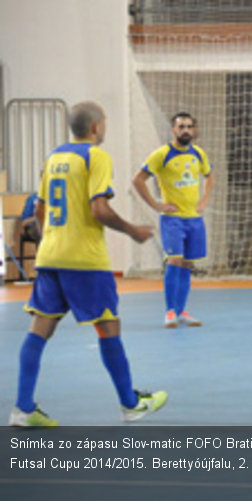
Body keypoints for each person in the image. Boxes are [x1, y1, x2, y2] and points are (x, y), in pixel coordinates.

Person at [9, 101, 168, 427]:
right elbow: (99, 209)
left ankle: (22, 409)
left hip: (50, 257)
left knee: (39, 330)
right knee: (108, 326)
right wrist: (133, 230)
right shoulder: (95, 156)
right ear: (96, 126)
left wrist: (49, 241)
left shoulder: (54, 157)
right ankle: (130, 403)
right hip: (84, 261)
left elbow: (38, 210)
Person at [132, 112, 213, 328]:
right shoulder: (162, 154)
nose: (185, 130)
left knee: (187, 263)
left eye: (189, 126)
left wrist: (204, 200)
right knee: (175, 260)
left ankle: (182, 310)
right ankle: (169, 311)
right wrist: (156, 205)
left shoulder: (198, 154)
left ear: (193, 130)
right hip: (172, 219)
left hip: (194, 219)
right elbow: (138, 179)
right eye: (181, 127)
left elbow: (210, 175)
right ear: (173, 130)